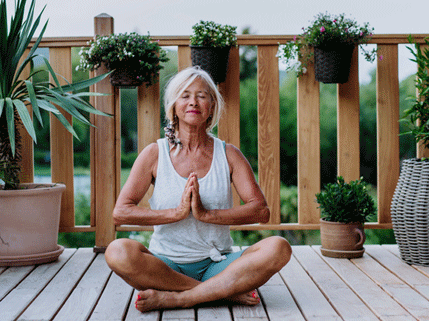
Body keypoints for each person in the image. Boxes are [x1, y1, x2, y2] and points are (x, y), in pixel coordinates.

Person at [104, 67, 292, 312]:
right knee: (117, 252)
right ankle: (221, 292)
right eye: (185, 95)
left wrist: (206, 215)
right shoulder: (154, 154)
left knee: (279, 247)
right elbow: (121, 213)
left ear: (212, 106)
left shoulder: (229, 154)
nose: (193, 101)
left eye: (202, 96)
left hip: (218, 264)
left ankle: (181, 298)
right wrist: (176, 213)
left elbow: (260, 211)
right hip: (166, 267)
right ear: (174, 106)